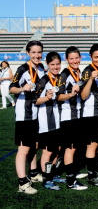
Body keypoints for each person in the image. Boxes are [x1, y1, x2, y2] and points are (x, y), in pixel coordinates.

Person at [9, 40, 45, 194]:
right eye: (34, 52)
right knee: (23, 149)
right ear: (28, 54)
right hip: (25, 115)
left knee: (34, 145)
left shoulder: (41, 68)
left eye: (39, 52)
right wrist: (22, 88)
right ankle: (22, 182)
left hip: (37, 113)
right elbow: (12, 88)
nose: (37, 55)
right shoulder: (23, 69)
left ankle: (33, 173)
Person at [57, 46, 88, 190]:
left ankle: (71, 172)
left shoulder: (78, 72)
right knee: (70, 148)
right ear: (66, 59)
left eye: (77, 58)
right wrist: (70, 94)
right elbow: (58, 96)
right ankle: (70, 180)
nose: (75, 61)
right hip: (68, 116)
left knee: (75, 147)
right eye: (71, 59)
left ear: (80, 58)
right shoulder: (64, 74)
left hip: (77, 115)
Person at [80, 44, 98, 187]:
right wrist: (90, 79)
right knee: (92, 144)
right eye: (96, 57)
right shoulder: (87, 71)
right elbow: (83, 96)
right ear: (91, 57)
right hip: (90, 113)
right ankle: (91, 175)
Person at [34, 51, 62, 190]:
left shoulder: (57, 79)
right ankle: (47, 178)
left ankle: (52, 173)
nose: (56, 67)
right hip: (46, 122)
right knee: (48, 151)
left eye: (57, 64)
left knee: (56, 149)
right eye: (52, 64)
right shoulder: (44, 80)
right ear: (47, 64)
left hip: (56, 120)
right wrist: (47, 97)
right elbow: (35, 100)